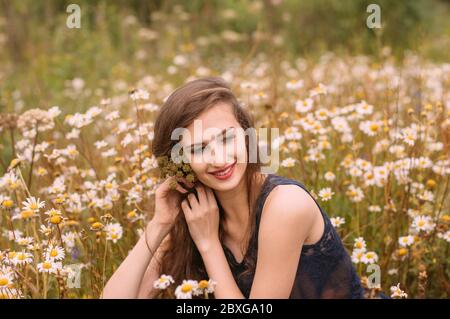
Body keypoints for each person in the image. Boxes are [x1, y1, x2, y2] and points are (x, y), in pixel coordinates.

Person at [102, 77, 364, 299]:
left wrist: (209, 245)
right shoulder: (196, 213)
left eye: (227, 138)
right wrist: (160, 223)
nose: (218, 158)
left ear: (247, 134)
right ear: (180, 162)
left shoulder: (286, 205)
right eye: (198, 148)